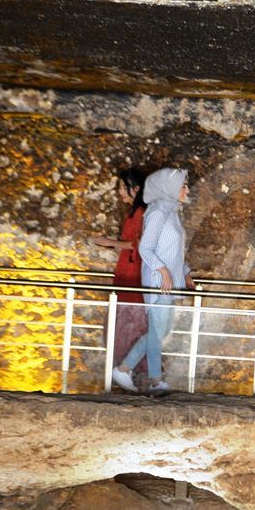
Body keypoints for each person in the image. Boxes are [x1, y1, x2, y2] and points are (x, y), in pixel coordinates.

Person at [111, 167, 195, 394]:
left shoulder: (171, 212)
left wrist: (185, 272)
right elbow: (145, 248)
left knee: (160, 331)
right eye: (183, 186)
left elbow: (174, 251)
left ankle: (125, 368)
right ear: (170, 187)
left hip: (169, 282)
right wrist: (164, 271)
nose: (187, 190)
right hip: (159, 282)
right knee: (158, 331)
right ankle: (156, 381)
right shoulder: (157, 212)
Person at [92, 168, 149, 383]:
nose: (119, 192)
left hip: (133, 273)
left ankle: (132, 372)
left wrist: (110, 242)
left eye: (122, 188)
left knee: (131, 324)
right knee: (122, 324)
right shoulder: (133, 213)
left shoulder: (142, 213)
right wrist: (111, 245)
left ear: (136, 189)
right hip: (126, 270)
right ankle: (127, 372)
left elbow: (140, 244)